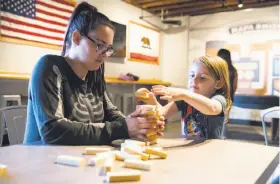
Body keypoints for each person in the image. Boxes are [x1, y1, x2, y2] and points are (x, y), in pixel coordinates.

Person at [23, 2, 164, 145]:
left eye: (108, 48)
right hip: (43, 160)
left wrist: (139, 124)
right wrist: (124, 128)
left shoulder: (94, 73)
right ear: (77, 38)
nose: (105, 54)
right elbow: (52, 131)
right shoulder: (49, 67)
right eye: (99, 45)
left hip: (82, 161)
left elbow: (112, 115)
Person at [137, 56, 232, 140]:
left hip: (211, 152)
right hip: (189, 150)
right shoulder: (185, 99)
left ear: (218, 84)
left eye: (202, 78)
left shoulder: (218, 99)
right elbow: (162, 113)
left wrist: (184, 94)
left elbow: (212, 108)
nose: (194, 80)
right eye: (192, 75)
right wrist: (151, 100)